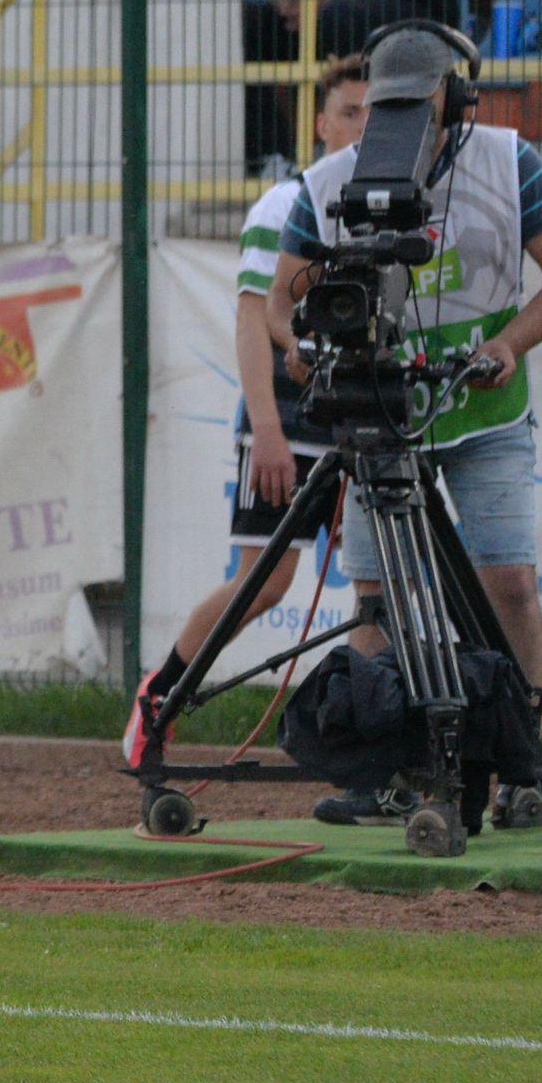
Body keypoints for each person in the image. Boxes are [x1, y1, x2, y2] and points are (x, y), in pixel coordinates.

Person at [267, 25, 542, 827]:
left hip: (484, 416)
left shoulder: (509, 161)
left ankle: (524, 770)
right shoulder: (328, 181)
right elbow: (279, 300)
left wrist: (508, 343)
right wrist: (298, 347)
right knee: (375, 598)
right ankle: (380, 770)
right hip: (377, 419)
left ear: (453, 97)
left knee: (508, 584)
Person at [123, 55, 367, 770]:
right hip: (288, 420)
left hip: (362, 418)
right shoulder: (285, 203)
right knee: (263, 583)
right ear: (320, 124)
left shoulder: (390, 209)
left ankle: (374, 742)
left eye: (376, 114)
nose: (363, 128)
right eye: (349, 113)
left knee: (380, 584)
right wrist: (266, 429)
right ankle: (159, 697)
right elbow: (253, 317)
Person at [244, 0, 458, 176]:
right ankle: (272, 158)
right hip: (318, 5)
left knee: (339, 16)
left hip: (404, 8)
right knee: (250, 22)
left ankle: (372, 154)